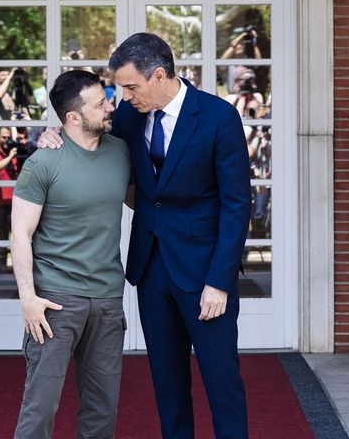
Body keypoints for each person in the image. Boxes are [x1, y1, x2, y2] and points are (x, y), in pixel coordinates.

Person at [39, 32, 251, 439]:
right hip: (151, 269)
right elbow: (88, 134)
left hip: (204, 273)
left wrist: (219, 282)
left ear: (158, 75)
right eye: (120, 88)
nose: (124, 97)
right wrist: (55, 135)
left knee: (222, 382)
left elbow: (236, 204)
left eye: (131, 86)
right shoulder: (132, 115)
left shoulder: (218, 116)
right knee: (168, 385)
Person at [11, 70, 129, 439]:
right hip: (55, 302)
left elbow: (145, 202)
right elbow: (20, 234)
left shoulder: (121, 151)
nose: (110, 108)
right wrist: (28, 299)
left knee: (102, 409)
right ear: (73, 117)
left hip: (108, 299)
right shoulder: (43, 162)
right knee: (40, 406)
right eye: (100, 104)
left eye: (107, 99)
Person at [0, 126, 18, 271]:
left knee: (16, 234)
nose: (6, 140)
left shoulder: (13, 152)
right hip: (0, 202)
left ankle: (16, 265)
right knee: (2, 233)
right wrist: (9, 158)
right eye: (3, 137)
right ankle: (2, 265)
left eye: (8, 137)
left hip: (15, 201)